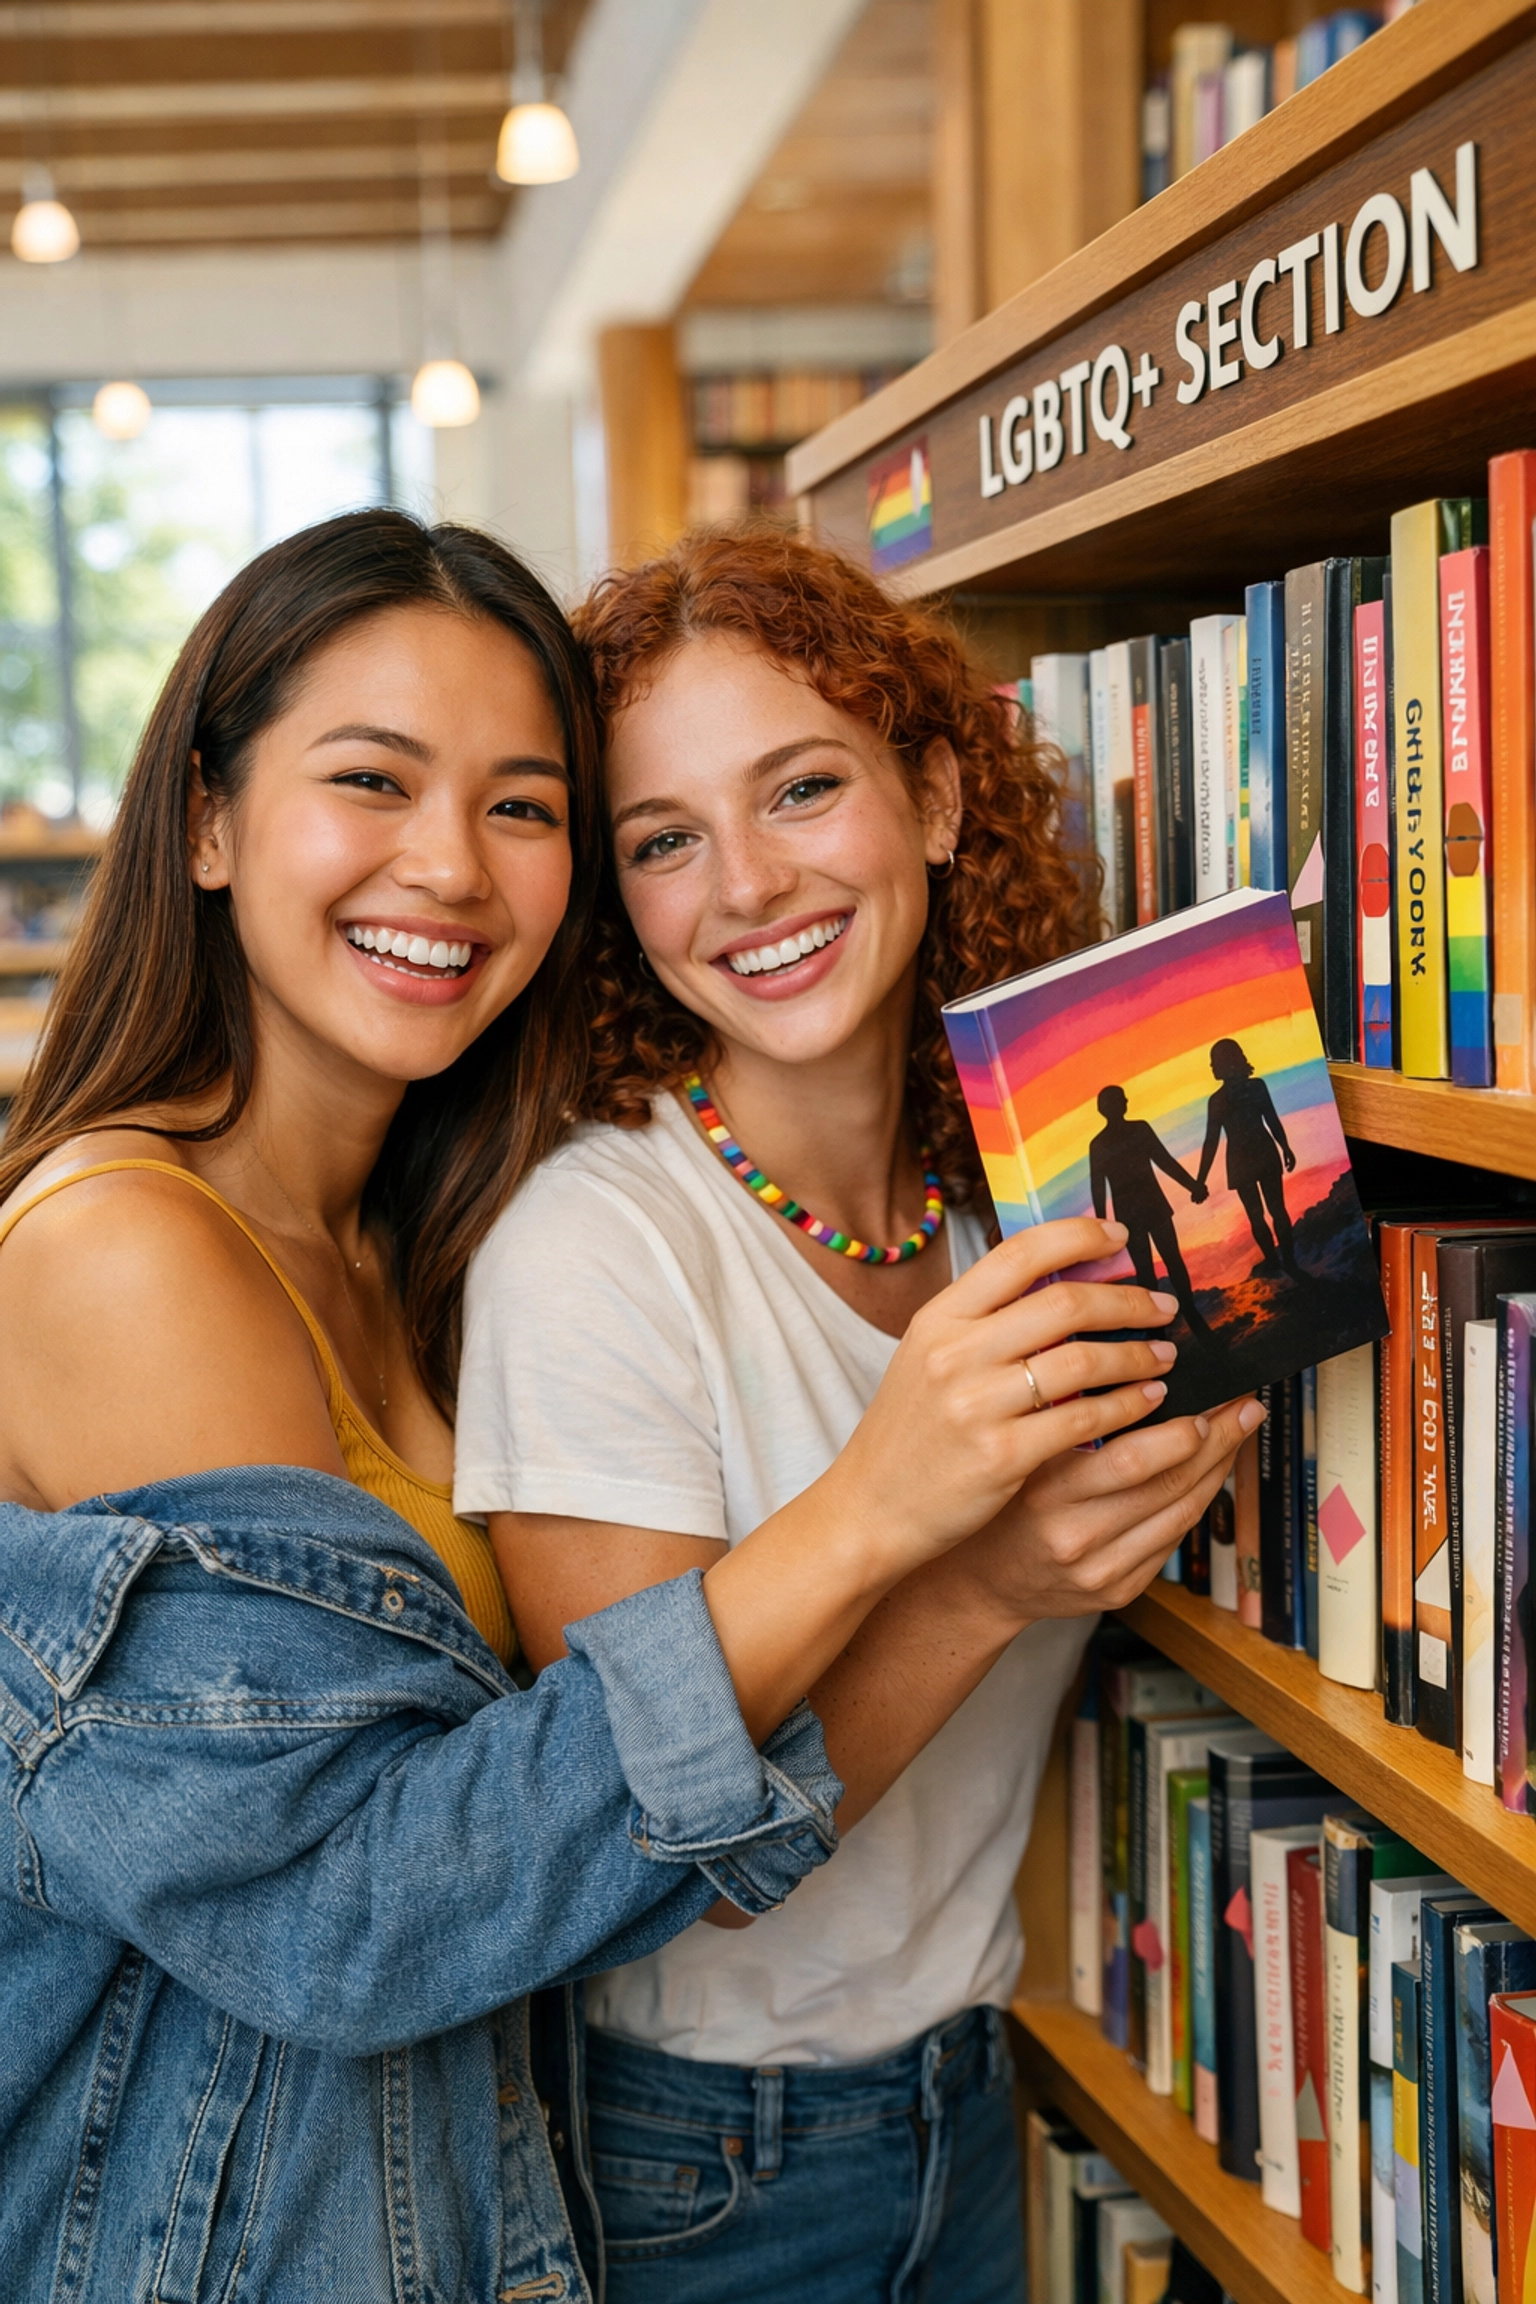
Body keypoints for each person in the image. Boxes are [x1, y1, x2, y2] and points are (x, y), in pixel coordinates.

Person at [0, 512, 1187, 2304]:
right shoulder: (129, 1253)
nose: (452, 867)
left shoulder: (401, 1227)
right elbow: (363, 1911)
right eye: (371, 779)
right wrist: (902, 1519)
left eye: (522, 804)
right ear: (207, 822)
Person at [455, 528, 1263, 2304]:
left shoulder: (1022, 1195)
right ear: (619, 898)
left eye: (802, 786)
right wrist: (990, 1577)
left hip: (977, 2093)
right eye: (663, 838)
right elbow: (653, 1864)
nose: (744, 881)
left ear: (943, 796)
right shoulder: (592, 1247)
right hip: (692, 2160)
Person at [1088, 1083, 1212, 1338]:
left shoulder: (1103, 1142)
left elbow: (1099, 1188)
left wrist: (1104, 1229)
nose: (1124, 1102)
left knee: (1154, 1268)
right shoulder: (1125, 1134)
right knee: (1165, 1263)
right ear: (1116, 1106)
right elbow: (1099, 1187)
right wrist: (1194, 1185)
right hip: (1145, 1208)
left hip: (1139, 1209)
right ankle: (1174, 1319)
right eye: (1121, 1099)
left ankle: (1173, 1320)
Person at [1194, 1035, 1302, 1278]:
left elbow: (1211, 1142)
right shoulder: (1256, 1087)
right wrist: (1284, 1147)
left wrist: (1200, 1179)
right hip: (1262, 1152)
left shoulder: (1219, 1100)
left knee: (1259, 1214)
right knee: (1276, 1210)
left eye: (1214, 1062)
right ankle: (1287, 1262)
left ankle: (1277, 1262)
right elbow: (1271, 1120)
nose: (1211, 1067)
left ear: (1224, 1063)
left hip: (1242, 1160)